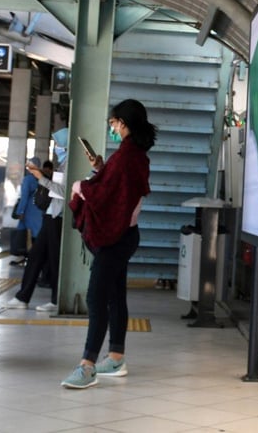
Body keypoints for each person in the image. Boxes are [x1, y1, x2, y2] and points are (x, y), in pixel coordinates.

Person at [61, 99, 154, 389]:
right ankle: (115, 357)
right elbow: (118, 189)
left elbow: (105, 195)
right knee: (114, 296)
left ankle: (87, 365)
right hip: (127, 235)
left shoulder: (125, 156)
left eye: (113, 122)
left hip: (115, 238)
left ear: (123, 123)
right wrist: (101, 168)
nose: (111, 127)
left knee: (96, 297)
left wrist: (80, 187)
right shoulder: (135, 154)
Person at [6, 159, 62, 312]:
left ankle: (56, 299)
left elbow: (63, 191)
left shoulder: (69, 164)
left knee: (55, 259)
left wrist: (41, 177)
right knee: (36, 256)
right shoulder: (63, 164)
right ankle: (22, 297)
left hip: (58, 216)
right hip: (50, 215)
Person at [12, 157, 46, 266]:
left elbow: (24, 197)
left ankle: (25, 256)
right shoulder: (42, 178)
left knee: (24, 234)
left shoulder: (28, 179)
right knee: (36, 235)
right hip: (39, 211)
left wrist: (20, 211)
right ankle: (36, 258)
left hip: (28, 211)